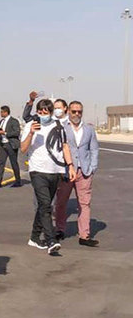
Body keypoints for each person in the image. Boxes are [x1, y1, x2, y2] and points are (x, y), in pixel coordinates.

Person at [20, 99, 77, 255]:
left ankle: (34, 237)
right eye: (40, 111)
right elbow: (23, 148)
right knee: (46, 205)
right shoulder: (30, 125)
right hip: (37, 171)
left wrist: (70, 166)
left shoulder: (58, 126)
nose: (42, 114)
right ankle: (51, 239)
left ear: (51, 112)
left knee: (43, 205)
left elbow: (65, 146)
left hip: (55, 171)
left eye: (45, 112)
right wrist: (31, 133)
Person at [54, 101, 100, 247]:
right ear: (68, 111)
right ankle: (60, 229)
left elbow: (94, 149)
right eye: (74, 111)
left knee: (84, 203)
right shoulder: (61, 127)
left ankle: (84, 235)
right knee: (61, 202)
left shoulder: (89, 129)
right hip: (66, 171)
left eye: (79, 111)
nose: (77, 114)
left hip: (84, 171)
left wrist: (92, 167)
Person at [0, 105, 22, 188]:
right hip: (2, 144)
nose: (0, 113)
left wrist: (5, 133)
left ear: (6, 112)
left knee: (13, 163)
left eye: (2, 112)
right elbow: (0, 132)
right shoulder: (1, 121)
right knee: (1, 163)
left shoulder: (14, 121)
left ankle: (18, 181)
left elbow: (17, 132)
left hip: (11, 144)